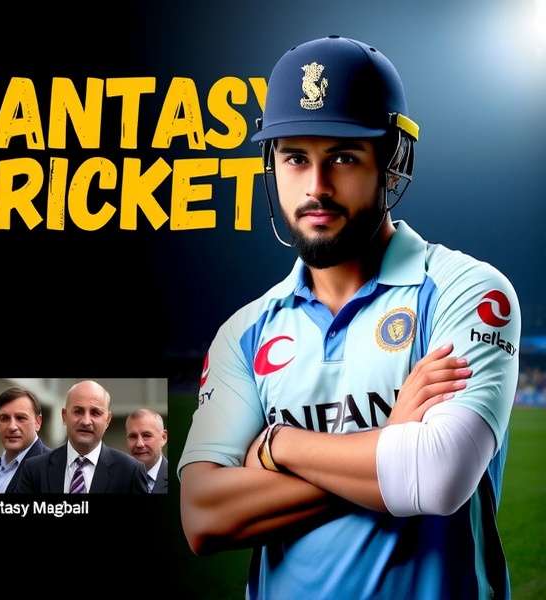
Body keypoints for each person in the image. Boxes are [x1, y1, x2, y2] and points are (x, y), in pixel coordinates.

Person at [179, 36, 520, 599]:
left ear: (390, 164)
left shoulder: (466, 291)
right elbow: (204, 516)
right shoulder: (244, 332)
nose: (316, 187)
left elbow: (435, 478)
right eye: (295, 158)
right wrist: (390, 441)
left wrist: (276, 447)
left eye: (342, 156)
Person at [17, 380, 149, 494]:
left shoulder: (130, 472)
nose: (86, 421)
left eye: (95, 413)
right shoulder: (34, 470)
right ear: (64, 416)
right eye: (78, 411)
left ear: (107, 420)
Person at [0, 385, 51, 493]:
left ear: (38, 423)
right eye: (4, 418)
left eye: (20, 418)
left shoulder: (52, 468)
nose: (12, 427)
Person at [126, 408, 169, 494]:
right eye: (133, 436)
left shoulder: (182, 480)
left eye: (146, 435)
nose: (139, 444)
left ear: (163, 438)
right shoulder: (115, 481)